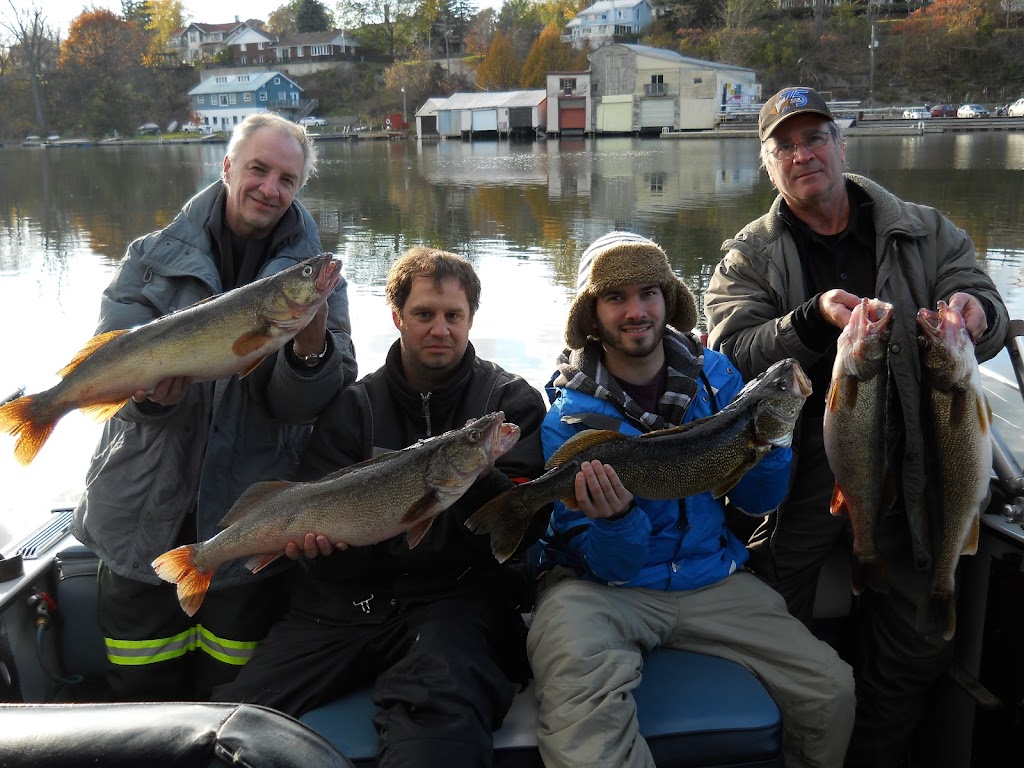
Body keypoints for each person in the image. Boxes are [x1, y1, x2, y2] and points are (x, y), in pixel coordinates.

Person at [704, 86, 1010, 767]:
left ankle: (871, 753)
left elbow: (978, 291)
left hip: (924, 466)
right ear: (767, 163)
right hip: (798, 476)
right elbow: (728, 352)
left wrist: (976, 314)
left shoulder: (925, 229)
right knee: (769, 617)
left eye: (815, 138)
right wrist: (809, 320)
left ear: (842, 146)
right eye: (784, 145)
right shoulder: (748, 255)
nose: (802, 154)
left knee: (915, 644)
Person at [527, 231, 856, 768]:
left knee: (831, 690)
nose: (636, 311)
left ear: (668, 300)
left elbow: (756, 502)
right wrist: (616, 521)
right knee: (585, 734)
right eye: (616, 297)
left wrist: (768, 443)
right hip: (601, 592)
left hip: (713, 576)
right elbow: (607, 563)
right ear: (592, 314)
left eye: (649, 293)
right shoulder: (568, 418)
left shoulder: (720, 378)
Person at [213, 246, 548, 767]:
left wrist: (484, 479)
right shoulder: (353, 405)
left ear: (470, 319)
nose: (440, 329)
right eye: (424, 315)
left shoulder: (508, 404)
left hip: (456, 605)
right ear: (397, 318)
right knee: (231, 721)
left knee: (439, 732)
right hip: (343, 605)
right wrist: (321, 551)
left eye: (453, 316)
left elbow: (524, 530)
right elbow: (313, 514)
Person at [73, 112, 358, 702]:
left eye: (287, 178)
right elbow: (115, 369)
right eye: (258, 169)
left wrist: (310, 353)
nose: (270, 188)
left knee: (231, 703)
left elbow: (307, 405)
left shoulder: (320, 279)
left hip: (245, 526)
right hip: (139, 520)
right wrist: (146, 404)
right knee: (140, 698)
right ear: (227, 166)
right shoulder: (148, 258)